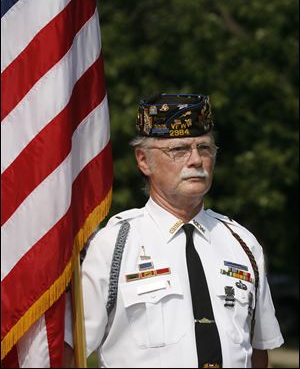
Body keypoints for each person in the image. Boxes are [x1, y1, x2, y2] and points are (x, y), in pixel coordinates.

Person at [64, 93, 284, 368]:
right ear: (143, 160)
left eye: (204, 148)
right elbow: (68, 353)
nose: (196, 160)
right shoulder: (112, 245)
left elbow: (259, 351)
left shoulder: (242, 243)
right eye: (179, 150)